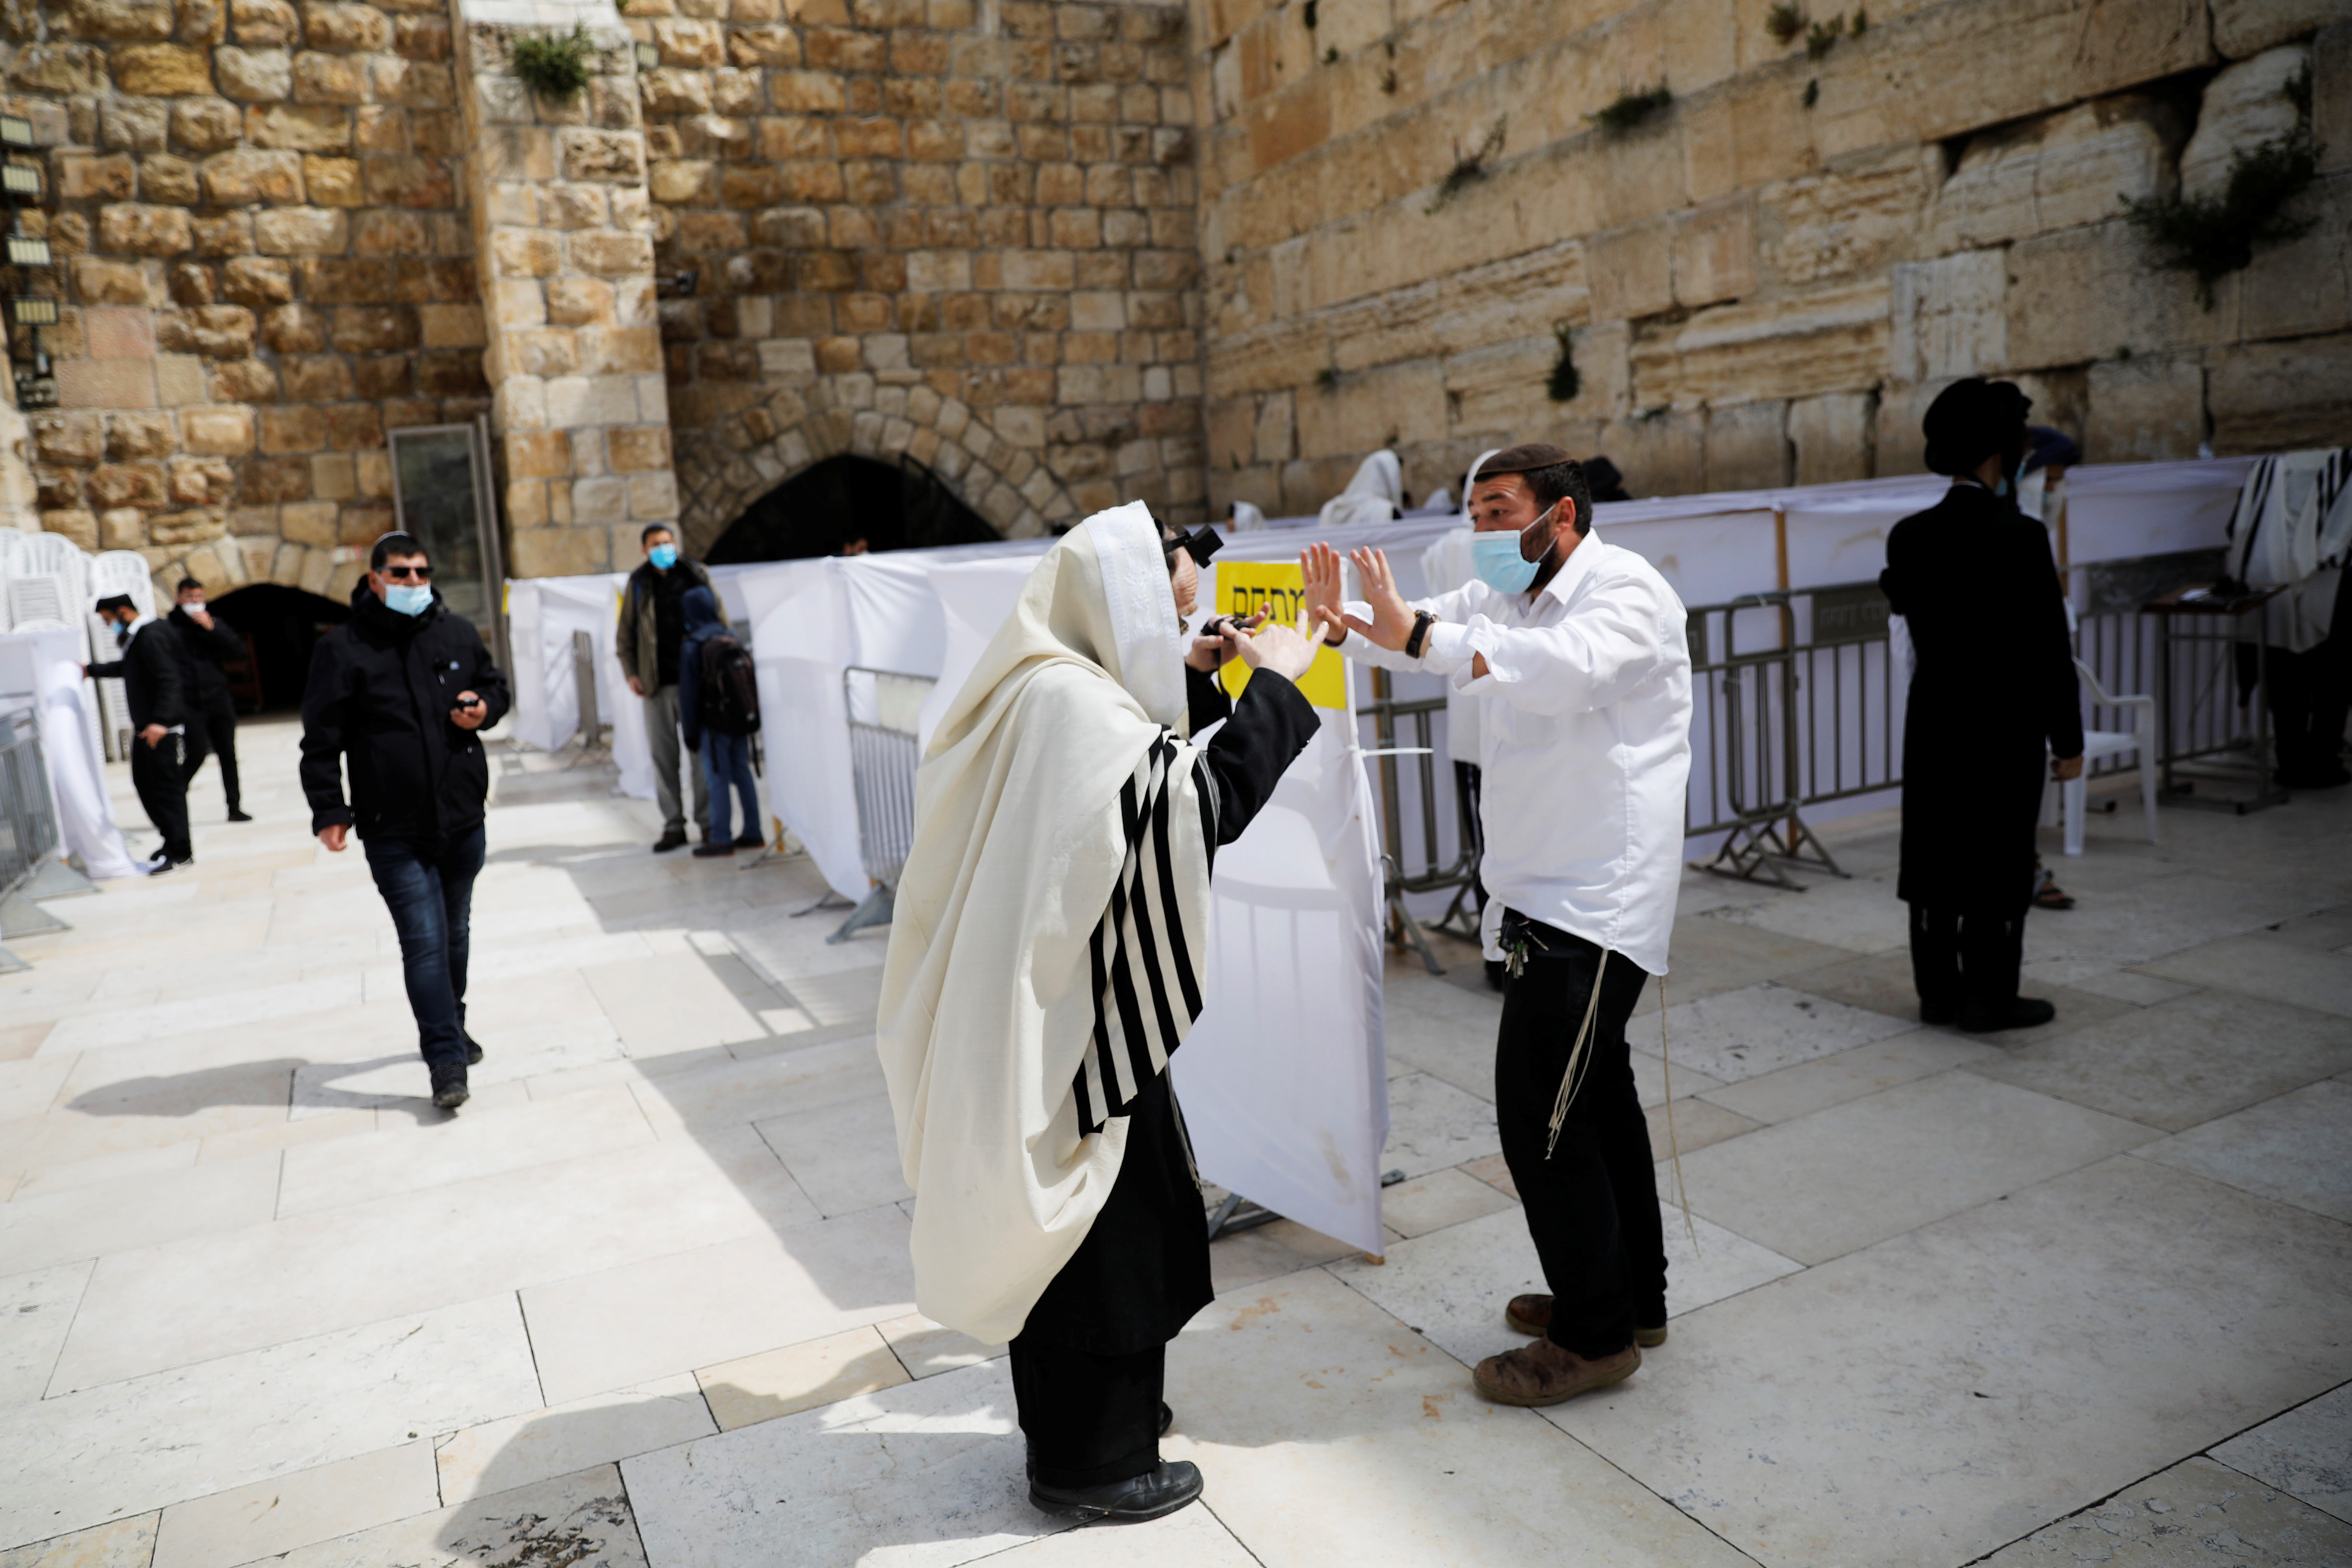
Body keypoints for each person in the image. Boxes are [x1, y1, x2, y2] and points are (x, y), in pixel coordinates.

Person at [877, 503, 1324, 1525]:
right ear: (1120, 595)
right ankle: (1094, 1465)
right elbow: (1183, 813)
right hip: (1074, 1029)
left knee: (1095, 1221)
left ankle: (1091, 1432)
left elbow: (1130, 761)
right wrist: (1279, 687)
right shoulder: (1077, 711)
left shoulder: (1038, 683)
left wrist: (1201, 678)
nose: (1186, 608)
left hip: (1034, 1001)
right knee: (1106, 1230)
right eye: (1173, 591)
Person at [1302, 442, 1693, 1408]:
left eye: (1499, 513)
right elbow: (1423, 630)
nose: (1481, 534)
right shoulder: (1510, 597)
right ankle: (1629, 1298)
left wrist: (1416, 636)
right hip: (1540, 889)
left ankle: (1595, 1337)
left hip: (1595, 899)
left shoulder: (1626, 594)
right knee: (1595, 1102)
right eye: (1473, 516)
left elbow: (1562, 673)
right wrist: (1343, 628)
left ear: (1561, 517)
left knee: (1541, 1123)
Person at [1880, 379, 2084, 1034]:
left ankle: (1937, 995)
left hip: (1935, 723)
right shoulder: (2019, 537)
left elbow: (1910, 630)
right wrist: (2068, 741)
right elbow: (2049, 649)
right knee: (1996, 858)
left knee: (1938, 857)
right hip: (2003, 730)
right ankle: (1989, 998)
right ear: (1999, 454)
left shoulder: (1908, 536)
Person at [301, 533, 510, 1112]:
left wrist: (483, 709)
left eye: (422, 572)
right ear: (374, 580)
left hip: (464, 820)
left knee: (456, 935)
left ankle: (454, 1020)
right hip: (393, 827)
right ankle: (444, 1060)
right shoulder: (342, 649)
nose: (414, 583)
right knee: (423, 943)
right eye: (400, 573)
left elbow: (496, 686)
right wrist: (329, 810)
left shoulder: (458, 632)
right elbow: (321, 739)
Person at [616, 524, 726, 852]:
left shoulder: (696, 574)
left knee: (701, 757)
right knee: (664, 759)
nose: (663, 549)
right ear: (644, 550)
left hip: (698, 683)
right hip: (656, 685)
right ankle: (673, 825)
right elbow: (625, 636)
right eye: (656, 545)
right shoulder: (639, 583)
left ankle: (707, 824)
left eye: (667, 543)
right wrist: (632, 672)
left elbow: (720, 619)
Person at [87, 592, 193, 873]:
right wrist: (90, 670)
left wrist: (161, 721)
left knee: (166, 791)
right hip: (148, 728)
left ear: (123, 611)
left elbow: (169, 679)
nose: (111, 626)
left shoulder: (151, 635)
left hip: (160, 730)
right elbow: (130, 669)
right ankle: (171, 841)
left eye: (110, 620)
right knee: (147, 786)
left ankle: (181, 851)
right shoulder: (140, 636)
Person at [676, 585, 763, 859]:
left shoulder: (693, 645)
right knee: (742, 773)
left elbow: (689, 696)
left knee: (717, 780)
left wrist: (690, 733)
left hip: (712, 727)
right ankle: (753, 831)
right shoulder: (730, 637)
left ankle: (721, 838)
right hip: (739, 721)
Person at [168, 578, 251, 823]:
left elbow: (237, 650)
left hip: (219, 698)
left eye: (199, 597)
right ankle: (176, 795)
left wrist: (212, 628)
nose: (195, 602)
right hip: (190, 702)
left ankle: (234, 807)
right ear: (179, 598)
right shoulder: (170, 628)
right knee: (196, 752)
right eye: (190, 597)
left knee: (228, 754)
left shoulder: (213, 623)